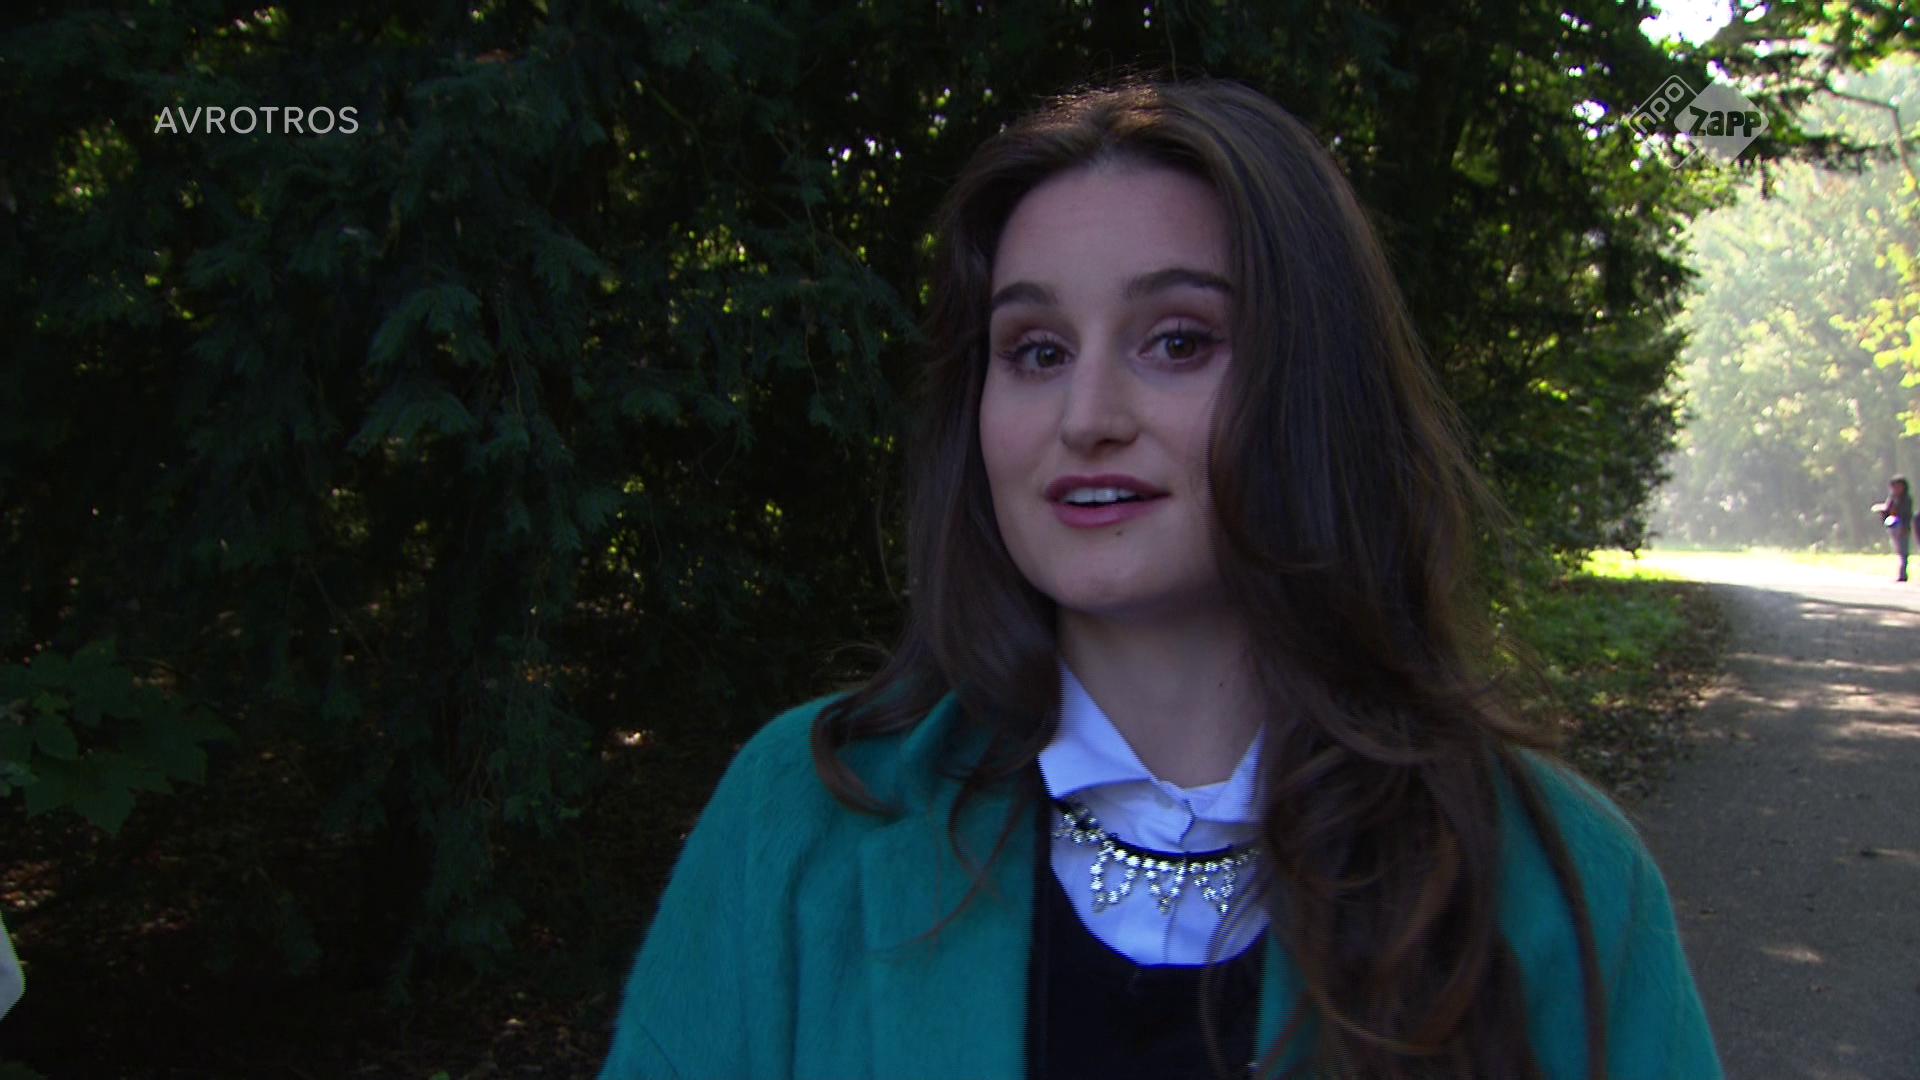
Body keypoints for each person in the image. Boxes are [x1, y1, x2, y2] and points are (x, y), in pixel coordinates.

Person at [599, 80, 1721, 1080]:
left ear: (1314, 388)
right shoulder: (805, 820)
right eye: (1037, 351)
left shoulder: (1559, 879)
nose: (1087, 416)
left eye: (1177, 341)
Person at [1875, 476, 1912, 581]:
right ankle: (1901, 573)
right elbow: (1887, 510)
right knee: (1898, 550)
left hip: (1902, 527)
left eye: (1898, 487)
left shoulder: (1906, 500)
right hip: (1893, 527)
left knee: (1903, 552)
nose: (1896, 489)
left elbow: (1906, 515)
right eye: (1894, 487)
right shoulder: (1891, 498)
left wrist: (1904, 528)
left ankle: (1903, 574)